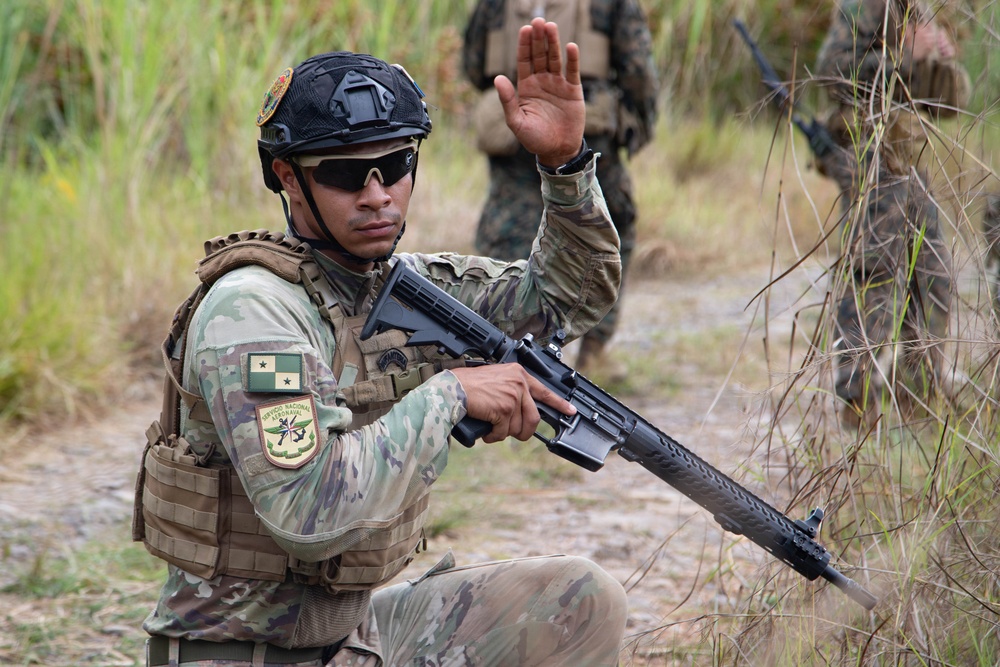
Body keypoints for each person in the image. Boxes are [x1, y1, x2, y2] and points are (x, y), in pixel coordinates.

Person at [133, 19, 628, 666]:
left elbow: (570, 299)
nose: (377, 196)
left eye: (395, 166)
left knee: (580, 599)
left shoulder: (400, 286)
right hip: (241, 652)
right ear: (288, 177)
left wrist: (565, 166)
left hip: (351, 637)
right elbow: (309, 512)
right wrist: (451, 396)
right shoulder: (252, 311)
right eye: (345, 174)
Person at [462, 0, 659, 382]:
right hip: (584, 129)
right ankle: (592, 350)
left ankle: (500, 351)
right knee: (607, 229)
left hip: (511, 124)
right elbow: (638, 71)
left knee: (506, 237)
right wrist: (637, 125)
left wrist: (514, 89)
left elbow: (473, 62)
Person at [813, 0, 969, 424]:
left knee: (933, 276)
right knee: (872, 275)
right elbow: (832, 72)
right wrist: (904, 57)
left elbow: (949, 104)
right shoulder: (867, 6)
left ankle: (916, 396)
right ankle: (855, 400)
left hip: (909, 163)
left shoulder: (919, 11)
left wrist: (940, 62)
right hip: (871, 159)